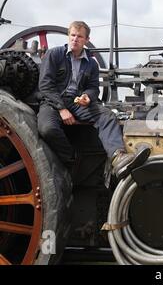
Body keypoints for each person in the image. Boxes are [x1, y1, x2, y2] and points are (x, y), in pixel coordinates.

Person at [37, 21, 151, 182]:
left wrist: (88, 97)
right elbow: (45, 85)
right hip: (52, 102)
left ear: (86, 39)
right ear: (68, 36)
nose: (75, 39)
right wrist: (61, 108)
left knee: (107, 116)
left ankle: (118, 158)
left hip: (76, 103)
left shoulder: (91, 63)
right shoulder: (54, 54)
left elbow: (93, 88)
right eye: (72, 35)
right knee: (47, 128)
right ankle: (71, 158)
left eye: (79, 36)